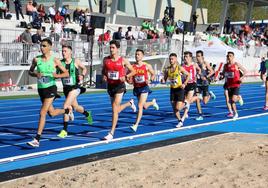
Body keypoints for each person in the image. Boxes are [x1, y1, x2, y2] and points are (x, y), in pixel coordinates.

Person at [27, 38, 70, 147]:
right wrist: (36, 74)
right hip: (41, 89)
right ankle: (67, 111)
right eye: (41, 46)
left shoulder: (55, 60)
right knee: (52, 113)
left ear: (50, 47)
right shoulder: (37, 60)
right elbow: (30, 71)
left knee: (42, 112)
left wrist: (57, 76)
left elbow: (66, 73)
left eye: (44, 46)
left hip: (51, 88)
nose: (42, 48)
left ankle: (37, 139)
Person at [102, 40, 136, 140]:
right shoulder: (106, 60)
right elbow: (104, 71)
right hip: (110, 86)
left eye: (113, 48)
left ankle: (111, 133)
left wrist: (126, 77)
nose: (111, 49)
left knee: (114, 109)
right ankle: (129, 103)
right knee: (115, 109)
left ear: (117, 49)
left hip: (120, 86)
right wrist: (104, 76)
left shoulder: (122, 60)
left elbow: (133, 71)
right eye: (110, 47)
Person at [57, 45, 93, 138]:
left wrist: (82, 75)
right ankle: (87, 113)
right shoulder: (60, 63)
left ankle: (64, 130)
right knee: (76, 107)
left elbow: (84, 68)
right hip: (66, 89)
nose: (63, 53)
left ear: (70, 52)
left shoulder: (75, 61)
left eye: (65, 51)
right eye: (62, 51)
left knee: (65, 106)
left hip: (75, 88)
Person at [128, 49, 159, 132]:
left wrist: (150, 80)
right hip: (137, 88)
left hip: (144, 87)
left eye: (138, 54)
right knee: (144, 106)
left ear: (142, 56)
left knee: (140, 106)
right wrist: (129, 81)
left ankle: (135, 125)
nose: (137, 56)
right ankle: (152, 102)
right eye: (136, 54)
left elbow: (153, 74)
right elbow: (128, 77)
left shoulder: (146, 65)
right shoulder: (132, 66)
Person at [162, 53, 190, 127]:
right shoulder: (168, 69)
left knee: (178, 107)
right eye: (170, 59)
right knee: (173, 107)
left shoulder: (179, 68)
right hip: (172, 89)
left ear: (176, 59)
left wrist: (185, 83)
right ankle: (180, 121)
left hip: (180, 89)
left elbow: (188, 75)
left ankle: (185, 104)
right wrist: (163, 80)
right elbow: (164, 79)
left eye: (172, 59)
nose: (171, 60)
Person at [222, 51, 246, 119]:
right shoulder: (225, 65)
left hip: (236, 84)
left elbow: (245, 71)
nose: (229, 57)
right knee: (231, 101)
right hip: (229, 85)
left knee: (233, 99)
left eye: (230, 56)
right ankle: (235, 113)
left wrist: (242, 78)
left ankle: (238, 97)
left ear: (233, 57)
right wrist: (221, 76)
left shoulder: (236, 64)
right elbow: (223, 74)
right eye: (228, 56)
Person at [195, 50, 216, 120]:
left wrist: (206, 77)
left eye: (198, 56)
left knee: (205, 102)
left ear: (202, 56)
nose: (197, 58)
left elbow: (212, 71)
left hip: (205, 84)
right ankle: (200, 115)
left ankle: (210, 95)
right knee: (197, 99)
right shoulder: (195, 64)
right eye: (196, 56)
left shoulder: (205, 63)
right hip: (198, 84)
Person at [181, 51, 201, 123]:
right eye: (184, 57)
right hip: (185, 84)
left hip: (192, 83)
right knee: (184, 100)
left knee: (187, 101)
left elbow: (199, 70)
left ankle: (184, 115)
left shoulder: (194, 65)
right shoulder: (182, 66)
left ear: (190, 58)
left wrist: (197, 75)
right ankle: (197, 97)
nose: (185, 58)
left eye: (186, 57)